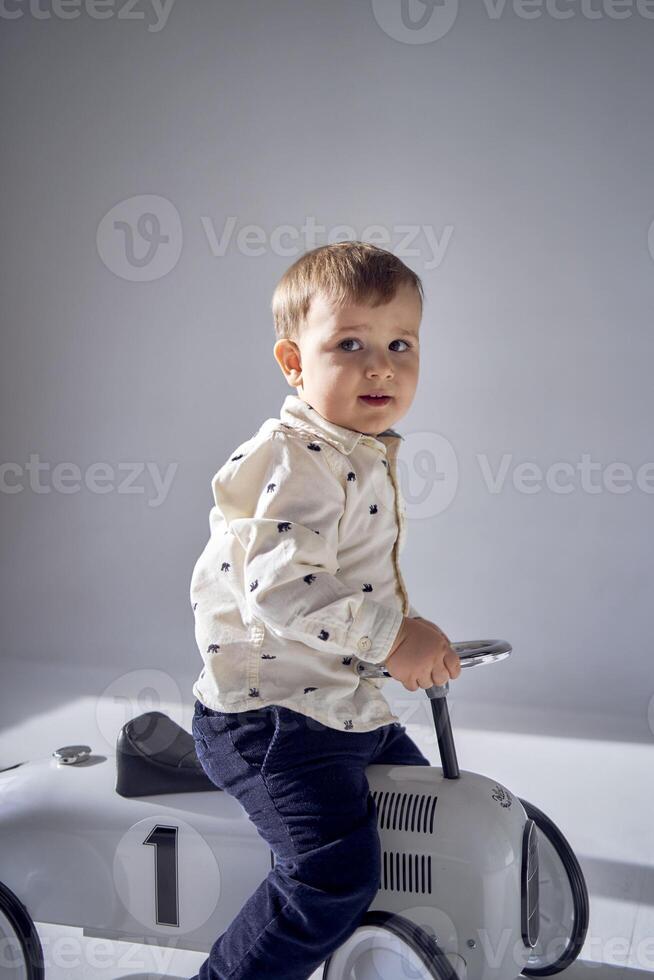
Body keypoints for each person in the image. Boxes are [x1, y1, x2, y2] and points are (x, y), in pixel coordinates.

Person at [188, 241, 461, 980]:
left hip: (344, 706)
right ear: (293, 363)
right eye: (350, 344)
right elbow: (279, 591)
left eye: (399, 344)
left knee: (430, 823)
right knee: (330, 875)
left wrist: (396, 639)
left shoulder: (356, 449)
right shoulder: (295, 459)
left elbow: (347, 584)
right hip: (272, 720)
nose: (382, 366)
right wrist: (391, 636)